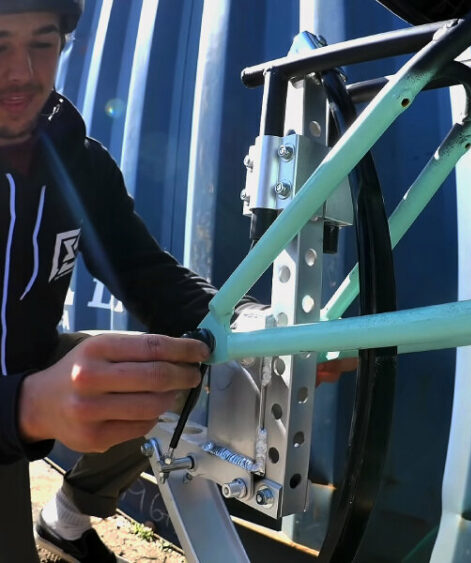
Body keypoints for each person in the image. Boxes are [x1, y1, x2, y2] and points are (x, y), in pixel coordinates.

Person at [0, 2, 352, 561]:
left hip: (30, 360)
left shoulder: (79, 164)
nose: (21, 71)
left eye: (42, 44)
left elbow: (143, 272)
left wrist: (253, 330)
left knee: (178, 367)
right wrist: (19, 407)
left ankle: (66, 519)